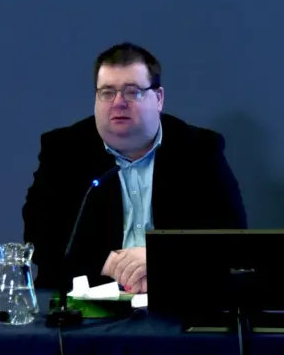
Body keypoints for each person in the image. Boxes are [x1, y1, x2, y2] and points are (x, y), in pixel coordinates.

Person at [22, 42, 247, 294]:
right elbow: (40, 236)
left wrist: (160, 259)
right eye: (107, 92)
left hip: (176, 298)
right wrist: (112, 265)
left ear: (159, 98)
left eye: (132, 92)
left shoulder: (199, 150)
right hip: (86, 305)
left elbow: (231, 238)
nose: (118, 103)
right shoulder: (64, 150)